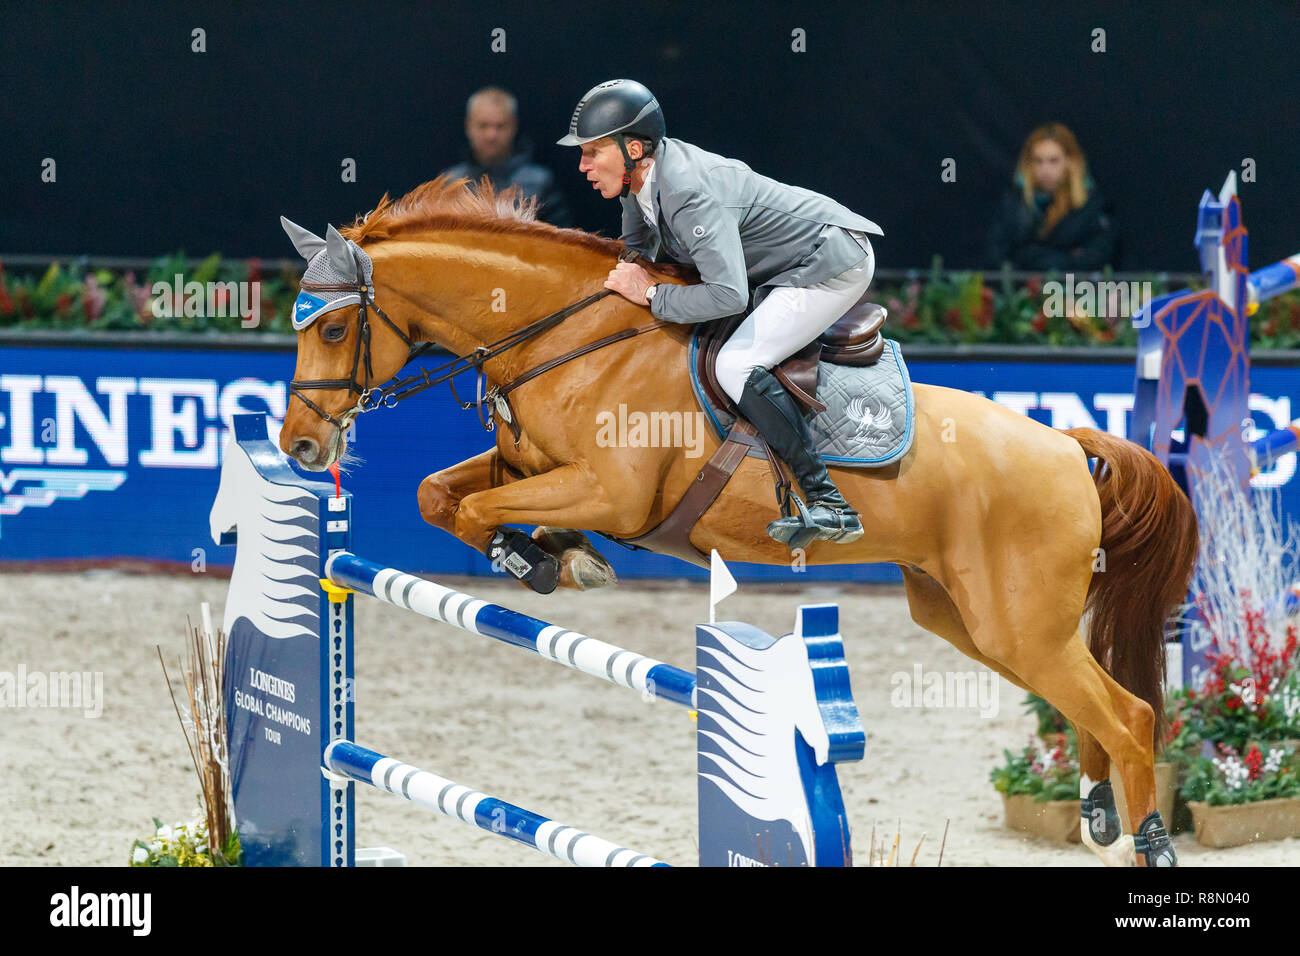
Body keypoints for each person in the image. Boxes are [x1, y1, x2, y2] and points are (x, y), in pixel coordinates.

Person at [556, 79, 883, 546]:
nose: (583, 165)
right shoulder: (637, 182)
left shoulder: (687, 190)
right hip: (777, 265)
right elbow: (635, 255)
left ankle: (829, 501)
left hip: (827, 261)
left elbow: (727, 295)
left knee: (735, 363)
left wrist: (651, 297)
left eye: (592, 153)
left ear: (633, 148)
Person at [985, 123, 1117, 271]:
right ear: (1029, 163)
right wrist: (1064, 256)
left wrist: (1029, 256)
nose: (1045, 170)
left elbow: (1098, 255)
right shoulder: (1013, 202)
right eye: (1038, 161)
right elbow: (995, 255)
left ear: (1070, 161)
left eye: (1053, 161)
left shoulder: (1091, 204)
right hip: (1021, 292)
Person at [442, 87, 573, 227]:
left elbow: (562, 240)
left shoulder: (541, 182)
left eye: (500, 126)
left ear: (514, 126)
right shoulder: (451, 182)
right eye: (483, 125)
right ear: (468, 126)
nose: (491, 135)